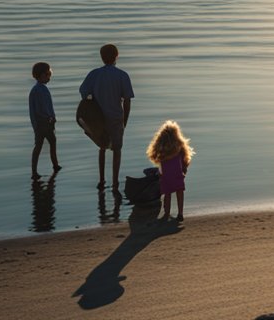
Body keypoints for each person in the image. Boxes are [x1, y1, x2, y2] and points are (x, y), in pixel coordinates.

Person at [79, 44, 133, 190]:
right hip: (116, 118)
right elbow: (127, 100)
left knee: (102, 147)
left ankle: (102, 180)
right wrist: (125, 120)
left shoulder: (94, 74)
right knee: (117, 150)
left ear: (101, 57)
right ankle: (115, 182)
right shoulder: (122, 75)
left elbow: (83, 92)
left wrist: (93, 100)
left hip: (98, 118)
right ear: (117, 56)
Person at [146, 120, 194, 224]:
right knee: (179, 193)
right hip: (177, 174)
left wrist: (159, 172)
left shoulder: (162, 150)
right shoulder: (179, 146)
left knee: (167, 195)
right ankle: (180, 213)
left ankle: (166, 213)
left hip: (166, 176)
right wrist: (184, 170)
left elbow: (154, 157)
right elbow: (185, 159)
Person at [29, 61, 61, 178]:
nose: (49, 77)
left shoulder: (39, 89)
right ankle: (37, 170)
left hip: (42, 123)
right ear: (41, 75)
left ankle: (54, 165)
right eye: (48, 74)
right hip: (44, 123)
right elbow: (42, 109)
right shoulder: (39, 90)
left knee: (48, 142)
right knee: (42, 145)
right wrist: (51, 118)